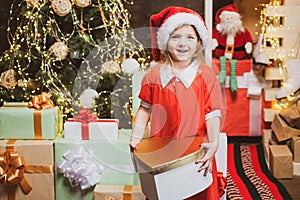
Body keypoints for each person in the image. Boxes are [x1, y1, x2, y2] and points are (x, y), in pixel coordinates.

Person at [130, 6, 224, 200]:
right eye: (175, 37)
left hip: (196, 151)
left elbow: (212, 113)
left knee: (198, 193)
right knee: (166, 193)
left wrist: (213, 142)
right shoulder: (153, 76)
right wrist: (136, 137)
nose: (183, 43)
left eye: (190, 37)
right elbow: (144, 109)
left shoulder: (206, 75)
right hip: (161, 150)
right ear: (165, 42)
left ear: (198, 43)